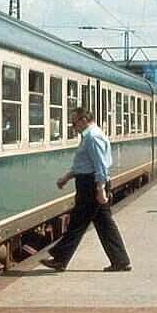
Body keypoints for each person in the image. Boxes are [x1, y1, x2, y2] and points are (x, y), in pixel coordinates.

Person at [40, 107, 131, 272]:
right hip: (89, 183)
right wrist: (66, 177)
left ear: (83, 120)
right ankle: (120, 260)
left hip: (91, 185)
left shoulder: (93, 137)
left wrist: (100, 189)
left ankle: (60, 258)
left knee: (78, 222)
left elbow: (100, 165)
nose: (73, 127)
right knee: (104, 224)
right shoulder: (88, 136)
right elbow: (84, 164)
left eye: (74, 123)